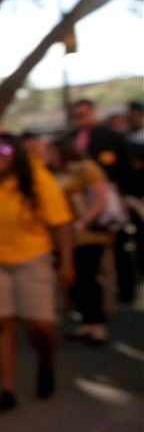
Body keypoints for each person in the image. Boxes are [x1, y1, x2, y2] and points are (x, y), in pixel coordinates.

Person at [0, 134, 73, 414]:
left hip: (31, 259)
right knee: (1, 324)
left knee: (41, 326)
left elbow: (61, 224)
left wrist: (67, 263)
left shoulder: (37, 179)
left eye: (4, 148)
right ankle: (7, 389)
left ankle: (46, 362)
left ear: (18, 153)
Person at [66, 99, 142, 305]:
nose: (80, 119)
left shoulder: (110, 137)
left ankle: (126, 291)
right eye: (76, 115)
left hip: (109, 202)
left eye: (84, 114)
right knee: (91, 252)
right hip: (80, 203)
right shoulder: (71, 139)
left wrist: (130, 195)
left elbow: (126, 170)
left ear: (93, 113)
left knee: (117, 246)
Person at [52, 138, 113, 345]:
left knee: (89, 279)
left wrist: (83, 223)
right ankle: (88, 323)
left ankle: (98, 326)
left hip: (89, 235)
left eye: (52, 152)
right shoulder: (60, 174)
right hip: (67, 239)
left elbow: (101, 199)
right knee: (78, 281)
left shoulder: (86, 168)